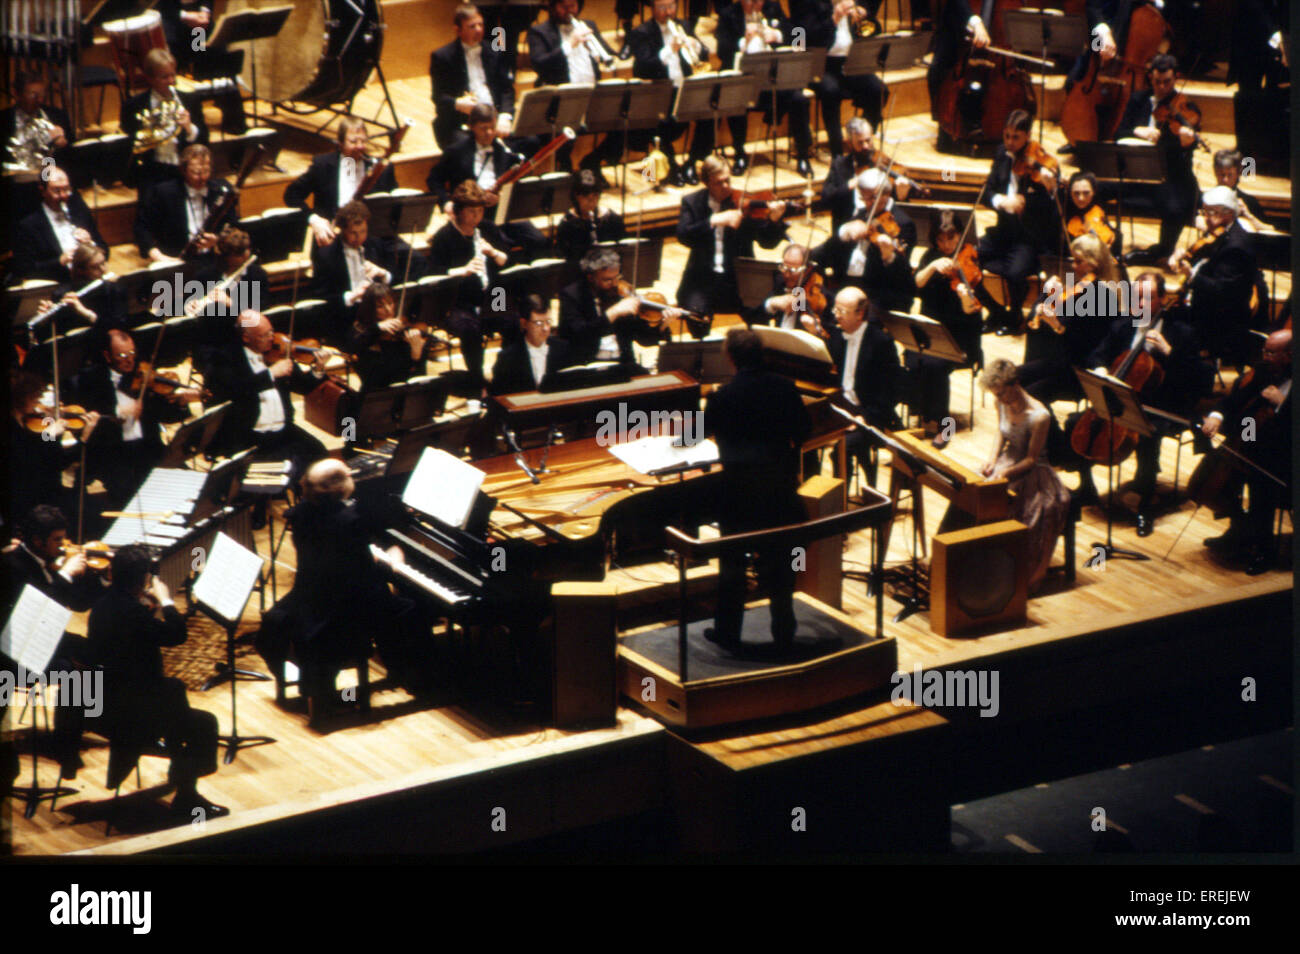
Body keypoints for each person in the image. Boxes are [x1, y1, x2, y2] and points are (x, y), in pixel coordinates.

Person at [254, 459, 430, 721]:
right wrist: (391, 563)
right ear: (340, 486)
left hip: (307, 597)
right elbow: (363, 577)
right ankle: (418, 678)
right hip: (337, 611)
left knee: (393, 605)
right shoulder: (349, 522)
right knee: (413, 608)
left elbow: (339, 561)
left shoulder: (301, 513)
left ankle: (397, 670)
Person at [86, 544, 226, 818]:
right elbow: (176, 635)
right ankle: (186, 795)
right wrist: (167, 601)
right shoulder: (133, 614)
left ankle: (182, 781)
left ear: (112, 573)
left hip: (103, 704)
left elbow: (131, 637)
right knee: (203, 724)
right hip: (133, 714)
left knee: (179, 714)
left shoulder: (102, 606)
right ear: (143, 580)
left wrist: (145, 606)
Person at [703, 327, 812, 652]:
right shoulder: (784, 388)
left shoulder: (722, 396)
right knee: (781, 564)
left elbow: (700, 433)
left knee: (733, 565)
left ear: (731, 358)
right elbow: (804, 431)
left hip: (738, 495)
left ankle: (728, 632)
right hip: (780, 490)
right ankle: (783, 630)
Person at [1079, 271, 1214, 534]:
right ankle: (1086, 487)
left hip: (1164, 406)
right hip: (1122, 400)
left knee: (1148, 436)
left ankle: (1145, 507)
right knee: (1076, 424)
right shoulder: (1123, 325)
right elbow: (1096, 356)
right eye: (1135, 298)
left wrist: (1170, 353)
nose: (1138, 304)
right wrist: (1102, 372)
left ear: (1162, 299)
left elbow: (1201, 380)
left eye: (1146, 298)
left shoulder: (1182, 333)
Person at [70, 328, 199, 511]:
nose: (129, 359)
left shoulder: (143, 373)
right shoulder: (89, 380)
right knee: (133, 499)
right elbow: (86, 424)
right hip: (114, 455)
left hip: (148, 448)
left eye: (132, 353)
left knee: (188, 483)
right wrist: (120, 412)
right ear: (107, 356)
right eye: (122, 355)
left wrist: (181, 402)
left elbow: (166, 415)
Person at [204, 311, 329, 494]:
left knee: (320, 455)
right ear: (246, 338)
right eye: (264, 335)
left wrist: (318, 369)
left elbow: (303, 386)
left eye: (271, 332)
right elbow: (234, 391)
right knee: (273, 477)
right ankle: (264, 503)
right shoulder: (225, 359)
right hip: (249, 436)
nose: (272, 339)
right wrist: (270, 374)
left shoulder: (277, 355)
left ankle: (305, 499)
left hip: (283, 431)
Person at [1199, 327, 1291, 575]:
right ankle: (1239, 528)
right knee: (1218, 479)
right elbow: (1234, 400)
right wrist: (1217, 416)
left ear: (1290, 355)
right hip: (1253, 440)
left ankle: (1264, 550)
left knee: (1261, 486)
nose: (1265, 357)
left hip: (1285, 452)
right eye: (1265, 351)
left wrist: (1283, 403)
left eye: (1271, 353)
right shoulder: (1263, 371)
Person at [979, 359, 1071, 593]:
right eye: (996, 395)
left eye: (1002, 394)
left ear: (1015, 384)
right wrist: (991, 460)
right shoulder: (1000, 402)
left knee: (1027, 511)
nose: (1000, 400)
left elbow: (1031, 459)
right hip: (1007, 462)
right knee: (975, 493)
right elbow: (1000, 434)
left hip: (1032, 471)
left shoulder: (1039, 415)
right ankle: (983, 564)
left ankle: (1018, 572)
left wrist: (1006, 472)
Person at [424, 103, 548, 262]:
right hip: (471, 214)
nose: (489, 133)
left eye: (492, 127)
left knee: (538, 240)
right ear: (472, 127)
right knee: (502, 247)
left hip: (501, 211)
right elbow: (434, 180)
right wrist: (446, 203)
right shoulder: (456, 151)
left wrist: (501, 197)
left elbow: (515, 185)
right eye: (483, 128)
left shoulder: (505, 151)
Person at [976, 109, 1059, 335]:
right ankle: (995, 311)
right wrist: (1001, 201)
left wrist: (1046, 188)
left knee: (1014, 273)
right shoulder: (1001, 154)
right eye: (1007, 136)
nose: (1010, 142)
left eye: (1016, 137)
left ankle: (1014, 318)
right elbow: (987, 191)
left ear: (1028, 136)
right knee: (968, 255)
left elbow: (1050, 207)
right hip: (1003, 231)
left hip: (1028, 237)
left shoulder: (1042, 163)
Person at [676, 155, 787, 323]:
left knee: (761, 313)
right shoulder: (692, 202)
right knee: (695, 316)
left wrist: (773, 220)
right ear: (706, 183)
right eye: (719, 183)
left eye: (727, 180)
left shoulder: (742, 202)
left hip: (739, 279)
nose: (726, 187)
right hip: (702, 279)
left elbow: (767, 242)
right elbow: (684, 235)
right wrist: (713, 220)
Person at [424, 180, 513, 390]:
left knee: (512, 322)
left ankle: (505, 374)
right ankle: (477, 383)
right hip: (456, 302)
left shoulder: (487, 230)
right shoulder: (444, 237)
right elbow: (433, 275)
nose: (477, 217)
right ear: (458, 211)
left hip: (492, 297)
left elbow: (508, 261)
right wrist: (461, 271)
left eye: (480, 211)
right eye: (471, 212)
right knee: (470, 330)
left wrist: (493, 252)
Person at [1116, 55, 1201, 265]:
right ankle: (1108, 244)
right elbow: (1118, 133)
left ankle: (1162, 251)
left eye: (1167, 82)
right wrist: (1139, 131)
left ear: (1175, 79)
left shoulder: (1186, 108)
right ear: (1150, 79)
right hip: (1134, 172)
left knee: (1175, 208)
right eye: (1157, 82)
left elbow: (1185, 155)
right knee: (1093, 185)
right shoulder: (1138, 99)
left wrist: (1186, 142)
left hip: (1169, 175)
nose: (1162, 87)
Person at [910, 212, 984, 448]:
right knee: (912, 357)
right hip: (931, 332)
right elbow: (916, 284)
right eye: (940, 240)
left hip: (961, 337)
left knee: (936, 364)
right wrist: (932, 266)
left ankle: (946, 425)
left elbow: (973, 312)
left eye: (951, 239)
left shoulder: (969, 261)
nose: (946, 245)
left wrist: (964, 298)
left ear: (960, 236)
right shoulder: (930, 257)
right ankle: (924, 414)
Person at [715, 0, 814, 176]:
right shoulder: (729, 14)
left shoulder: (772, 8)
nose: (755, 5)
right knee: (736, 99)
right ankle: (740, 154)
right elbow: (722, 51)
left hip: (773, 81)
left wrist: (777, 35)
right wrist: (743, 41)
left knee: (799, 99)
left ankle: (803, 156)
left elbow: (799, 35)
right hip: (744, 82)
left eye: (759, 0)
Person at [1020, 232, 1121, 404]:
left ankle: (1049, 429)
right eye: (1073, 260)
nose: (1073, 266)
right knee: (1012, 380)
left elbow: (1084, 342)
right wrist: (1046, 295)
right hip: (1060, 360)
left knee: (1026, 392)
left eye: (1078, 261)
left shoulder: (1103, 295)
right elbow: (1037, 321)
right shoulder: (1082, 287)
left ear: (1093, 263)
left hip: (1077, 369)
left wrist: (1057, 326)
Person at [526, 0, 624, 177]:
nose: (569, 11)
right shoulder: (539, 32)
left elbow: (608, 53)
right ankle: (566, 170)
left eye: (573, 6)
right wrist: (568, 45)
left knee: (624, 121)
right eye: (564, 6)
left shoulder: (588, 25)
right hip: (561, 100)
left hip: (593, 96)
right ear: (553, 7)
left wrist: (604, 55)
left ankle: (592, 162)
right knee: (565, 133)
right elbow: (540, 65)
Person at [1167, 186, 1258, 365]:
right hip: (1208, 306)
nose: (1204, 217)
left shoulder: (1236, 247)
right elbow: (1200, 260)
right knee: (1164, 313)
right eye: (1204, 211)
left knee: (1172, 323)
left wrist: (1191, 275)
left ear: (1228, 213)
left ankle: (1181, 371)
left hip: (1221, 319)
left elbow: (1222, 290)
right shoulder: (1220, 232)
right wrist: (1180, 255)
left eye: (1209, 212)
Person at [628, 0, 715, 186]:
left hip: (685, 89)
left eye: (671, 6)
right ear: (652, 8)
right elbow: (643, 66)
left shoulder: (683, 25)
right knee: (660, 122)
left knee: (709, 114)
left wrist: (695, 46)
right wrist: (669, 50)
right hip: (659, 93)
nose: (668, 12)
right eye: (662, 7)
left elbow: (705, 53)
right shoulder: (641, 32)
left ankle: (691, 162)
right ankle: (672, 165)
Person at [821, 285, 901, 484]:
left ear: (860, 314)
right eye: (835, 310)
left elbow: (889, 392)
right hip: (842, 407)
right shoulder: (837, 335)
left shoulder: (881, 343)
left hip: (870, 414)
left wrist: (864, 417)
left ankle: (842, 507)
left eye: (842, 311)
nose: (836, 315)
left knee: (841, 450)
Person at [790, 0, 889, 155]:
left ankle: (861, 141)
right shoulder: (807, 3)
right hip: (819, 65)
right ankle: (837, 153)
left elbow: (873, 30)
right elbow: (802, 37)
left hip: (849, 62)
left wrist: (864, 18)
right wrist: (834, 19)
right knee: (831, 91)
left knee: (879, 90)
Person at [817, 167, 917, 320]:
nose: (869, 203)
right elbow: (827, 253)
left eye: (873, 198)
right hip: (847, 285)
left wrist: (889, 256)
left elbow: (902, 276)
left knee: (850, 315)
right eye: (865, 198)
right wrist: (843, 232)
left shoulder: (903, 224)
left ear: (886, 195)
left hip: (878, 292)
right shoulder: (861, 214)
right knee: (815, 305)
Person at [285, 117, 398, 247]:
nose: (360, 146)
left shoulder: (380, 168)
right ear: (340, 143)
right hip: (333, 240)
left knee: (416, 260)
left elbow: (393, 202)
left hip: (372, 238)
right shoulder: (323, 165)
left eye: (363, 141)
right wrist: (314, 219)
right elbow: (291, 195)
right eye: (353, 142)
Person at [430, 3, 519, 151]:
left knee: (531, 141)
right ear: (458, 30)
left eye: (480, 25)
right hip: (463, 123)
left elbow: (507, 90)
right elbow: (438, 97)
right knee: (467, 149)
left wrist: (505, 116)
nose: (479, 29)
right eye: (472, 26)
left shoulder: (494, 51)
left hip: (495, 120)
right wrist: (458, 103)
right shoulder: (443, 57)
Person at [120, 48, 208, 194]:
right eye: (165, 77)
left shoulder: (190, 100)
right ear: (150, 78)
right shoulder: (133, 106)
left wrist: (189, 128)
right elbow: (129, 145)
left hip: (184, 172)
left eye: (173, 75)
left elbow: (205, 140)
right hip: (152, 173)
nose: (171, 81)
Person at [308, 200, 396, 344]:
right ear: (342, 230)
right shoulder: (326, 255)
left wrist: (383, 274)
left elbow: (393, 279)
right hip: (346, 322)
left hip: (377, 316)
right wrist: (351, 296)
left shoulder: (375, 245)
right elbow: (321, 297)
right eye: (353, 233)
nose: (359, 238)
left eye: (363, 232)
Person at [133, 144, 238, 263]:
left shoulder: (220, 191)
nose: (202, 177)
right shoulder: (164, 193)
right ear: (183, 170)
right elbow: (142, 227)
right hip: (177, 259)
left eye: (206, 171)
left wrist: (218, 240)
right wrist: (157, 256)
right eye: (196, 172)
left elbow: (234, 225)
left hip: (215, 257)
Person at [821, 117, 914, 230]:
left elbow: (896, 205)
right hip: (848, 227)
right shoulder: (840, 165)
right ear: (850, 143)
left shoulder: (883, 162)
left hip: (880, 227)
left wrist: (901, 195)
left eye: (868, 140)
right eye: (860, 143)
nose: (865, 146)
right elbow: (826, 199)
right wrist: (849, 185)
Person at [348, 282, 429, 392]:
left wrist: (416, 355)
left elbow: (418, 376)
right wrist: (376, 328)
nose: (388, 310)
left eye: (390, 303)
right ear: (370, 308)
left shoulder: (403, 332)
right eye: (380, 306)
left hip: (405, 392)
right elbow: (356, 347)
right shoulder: (362, 331)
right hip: (376, 394)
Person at [489, 294, 575, 394]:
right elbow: (498, 395)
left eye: (548, 322)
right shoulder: (507, 358)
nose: (545, 328)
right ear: (524, 324)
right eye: (538, 323)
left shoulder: (563, 349)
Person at [746, 243, 827, 333]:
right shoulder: (781, 282)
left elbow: (828, 336)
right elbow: (751, 320)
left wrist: (815, 330)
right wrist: (771, 303)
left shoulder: (819, 294)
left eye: (793, 271)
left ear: (807, 270)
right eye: (784, 268)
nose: (787, 275)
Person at [554, 169, 626, 264]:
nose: (591, 201)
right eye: (585, 196)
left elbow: (623, 249)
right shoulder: (567, 224)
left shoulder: (612, 219)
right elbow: (563, 256)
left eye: (595, 196)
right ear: (576, 196)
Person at [1064, 170, 1122, 259]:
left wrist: (1110, 245)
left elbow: (1111, 235)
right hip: (1074, 266)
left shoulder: (1097, 210)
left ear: (1094, 192)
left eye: (1086, 193)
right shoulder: (1063, 213)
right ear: (1070, 193)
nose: (1081, 198)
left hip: (1100, 262)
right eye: (1076, 193)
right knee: (1069, 271)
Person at [1207, 149, 1267, 233]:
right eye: (1222, 174)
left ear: (1238, 173)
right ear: (1215, 172)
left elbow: (1268, 230)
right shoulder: (1205, 200)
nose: (1225, 180)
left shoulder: (1250, 202)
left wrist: (1248, 215)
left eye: (1230, 175)